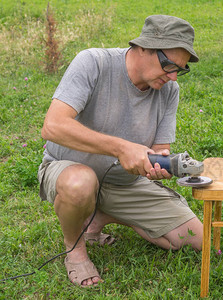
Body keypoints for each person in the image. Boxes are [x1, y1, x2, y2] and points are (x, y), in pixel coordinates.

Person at [38, 15, 203, 287]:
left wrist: (160, 164)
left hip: (122, 184)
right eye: (168, 65)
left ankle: (100, 214)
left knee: (193, 240)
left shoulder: (169, 89)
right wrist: (121, 148)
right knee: (81, 182)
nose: (173, 76)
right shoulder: (94, 62)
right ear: (144, 47)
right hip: (68, 170)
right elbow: (53, 126)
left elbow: (159, 149)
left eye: (180, 70)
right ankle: (75, 248)